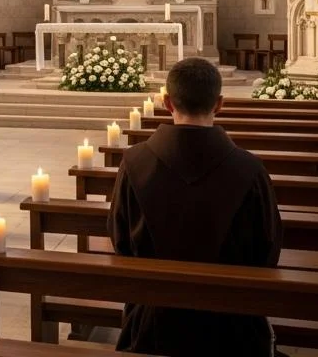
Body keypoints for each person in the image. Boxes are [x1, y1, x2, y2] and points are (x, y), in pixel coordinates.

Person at [108, 58, 283, 357]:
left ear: (166, 102)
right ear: (219, 104)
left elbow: (120, 239)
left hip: (151, 327)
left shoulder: (134, 162)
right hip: (234, 329)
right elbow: (268, 251)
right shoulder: (250, 169)